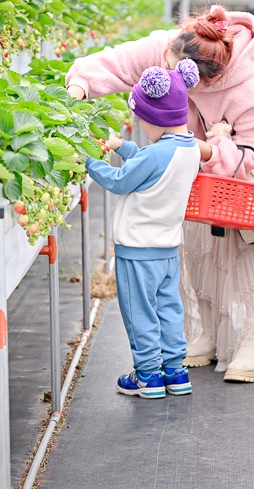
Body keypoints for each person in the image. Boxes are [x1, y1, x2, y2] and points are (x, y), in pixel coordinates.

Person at [66, 5, 254, 384]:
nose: (170, 79)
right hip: (192, 174)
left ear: (206, 79)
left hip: (248, 180)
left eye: (179, 76)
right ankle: (207, 334)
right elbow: (114, 63)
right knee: (201, 252)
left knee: (251, 255)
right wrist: (78, 89)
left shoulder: (248, 90)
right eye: (168, 66)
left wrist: (206, 149)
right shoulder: (167, 47)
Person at [85, 61, 203, 399]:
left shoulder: (157, 154)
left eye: (141, 120)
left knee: (140, 314)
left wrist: (89, 161)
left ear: (155, 119)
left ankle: (147, 375)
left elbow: (121, 180)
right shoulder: (188, 149)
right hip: (167, 250)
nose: (141, 126)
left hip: (137, 252)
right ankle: (175, 372)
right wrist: (121, 146)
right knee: (168, 309)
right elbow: (151, 162)